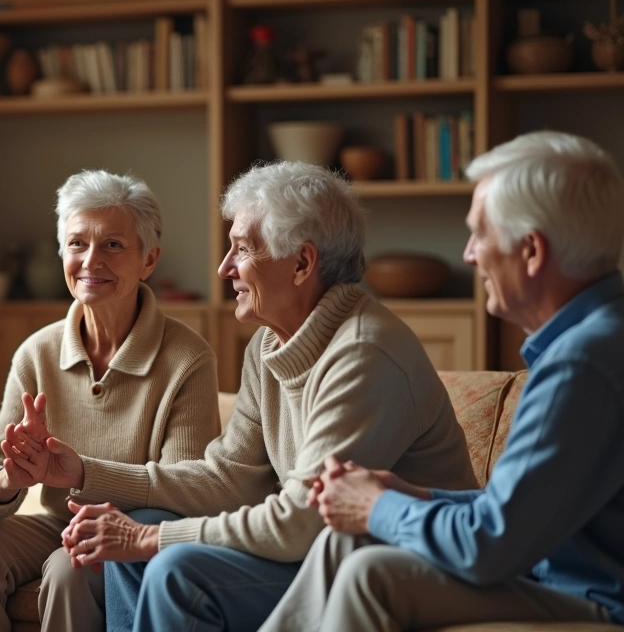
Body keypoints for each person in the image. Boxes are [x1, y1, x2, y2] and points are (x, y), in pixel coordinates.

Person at [6, 161, 480, 631]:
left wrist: (150, 538)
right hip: (316, 550)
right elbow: (230, 479)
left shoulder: (364, 353)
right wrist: (85, 473)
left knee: (173, 569)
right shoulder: (268, 346)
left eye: (243, 249)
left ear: (302, 263)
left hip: (393, 561)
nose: (224, 267)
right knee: (142, 540)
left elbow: (301, 522)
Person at [260, 131, 624, 631]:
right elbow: (521, 512)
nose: (469, 254)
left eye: (480, 234)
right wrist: (413, 496)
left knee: (371, 574)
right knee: (351, 538)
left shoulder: (582, 364)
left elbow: (491, 543)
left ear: (531, 251)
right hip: (553, 576)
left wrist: (377, 504)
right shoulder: (596, 340)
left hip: (595, 599)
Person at [0, 170, 221, 632]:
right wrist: (9, 478)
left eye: (112, 244)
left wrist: (85, 473)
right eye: (77, 244)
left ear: (149, 259)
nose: (91, 260)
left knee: (69, 567)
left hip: (132, 532)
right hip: (59, 522)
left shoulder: (187, 358)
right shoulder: (38, 352)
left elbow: (186, 489)